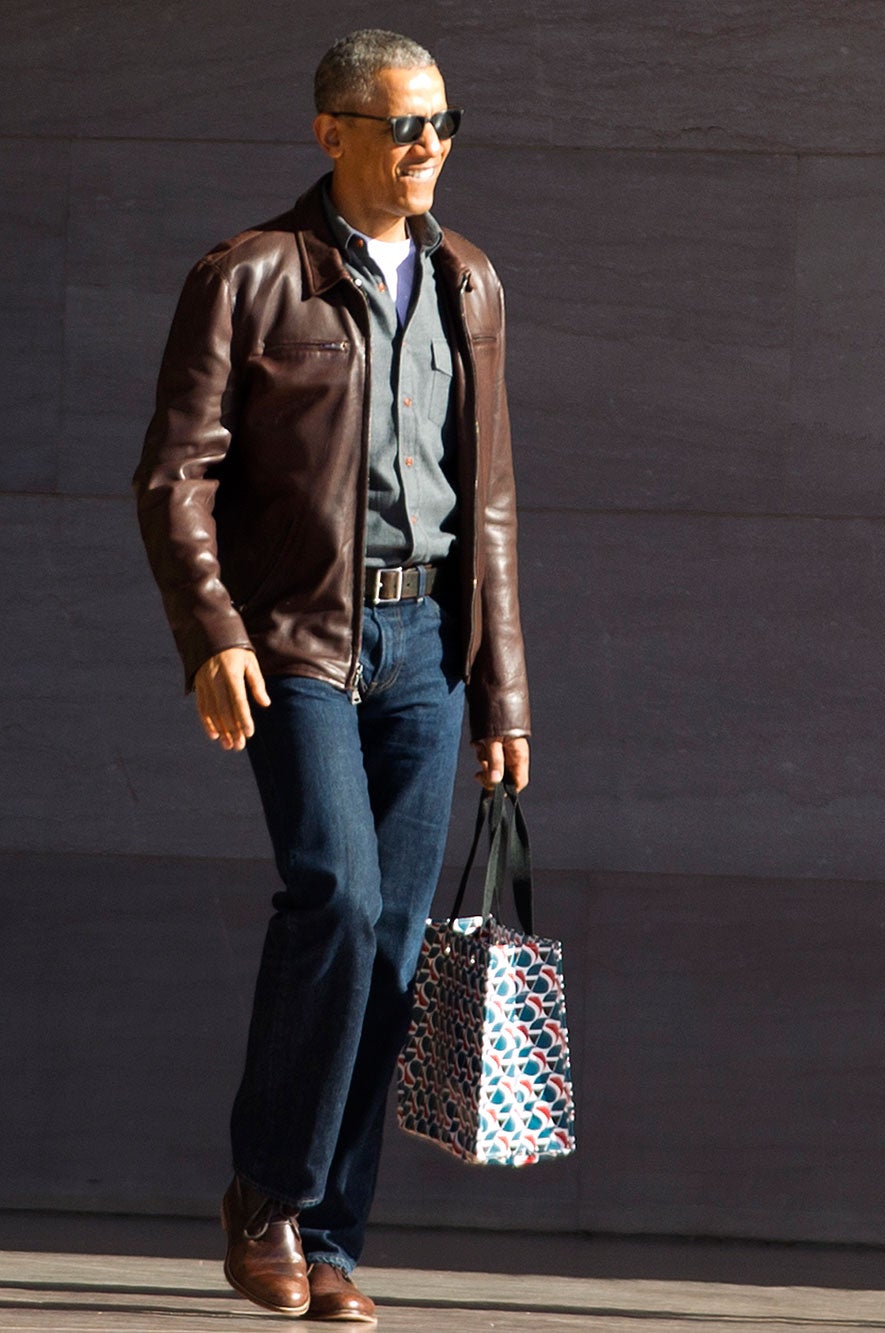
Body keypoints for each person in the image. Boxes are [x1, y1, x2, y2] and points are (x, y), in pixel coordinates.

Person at [133, 29, 530, 1321]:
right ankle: (269, 1197)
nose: (430, 147)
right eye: (405, 124)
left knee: (397, 943)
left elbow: (492, 506)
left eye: (444, 124)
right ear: (333, 132)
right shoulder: (248, 276)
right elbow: (175, 476)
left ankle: (336, 1239)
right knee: (340, 901)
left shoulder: (470, 282)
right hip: (297, 640)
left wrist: (503, 695)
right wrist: (214, 633)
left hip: (428, 649)